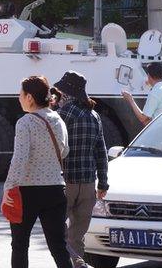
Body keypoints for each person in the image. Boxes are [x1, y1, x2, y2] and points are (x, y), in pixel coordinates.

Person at [2, 76, 73, 268]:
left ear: (30, 97)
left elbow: (19, 159)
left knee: (19, 245)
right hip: (55, 189)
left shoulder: (25, 122)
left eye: (21, 94)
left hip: (27, 191)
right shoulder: (57, 118)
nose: (19, 98)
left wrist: (8, 187)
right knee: (59, 246)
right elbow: (65, 151)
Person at [54, 71, 109, 268]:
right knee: (77, 236)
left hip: (65, 183)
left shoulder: (62, 114)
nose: (57, 96)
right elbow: (101, 152)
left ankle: (77, 263)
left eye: (59, 92)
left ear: (67, 93)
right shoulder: (94, 116)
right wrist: (103, 183)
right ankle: (78, 264)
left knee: (57, 233)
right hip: (88, 185)